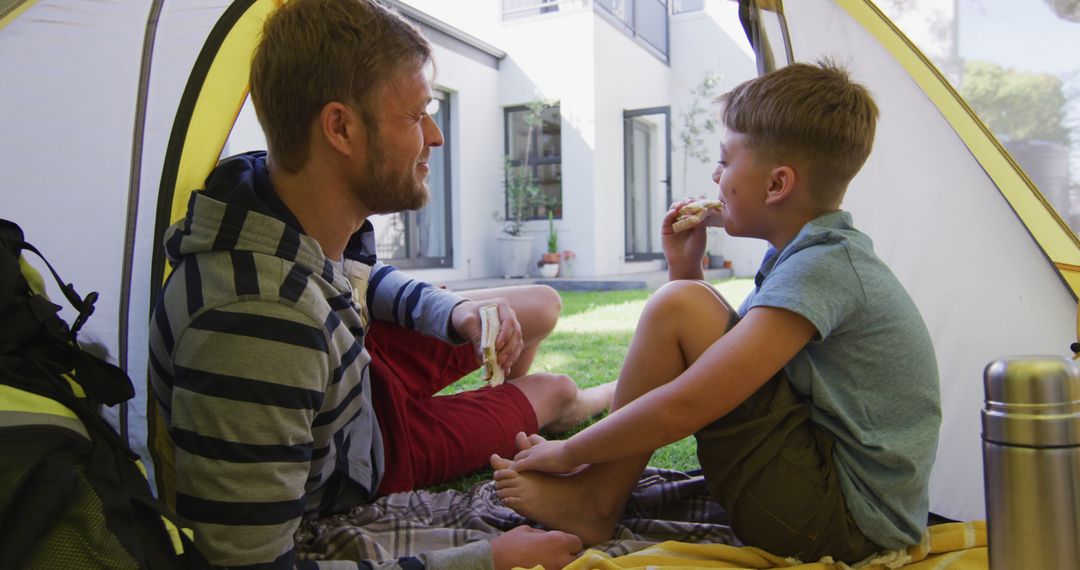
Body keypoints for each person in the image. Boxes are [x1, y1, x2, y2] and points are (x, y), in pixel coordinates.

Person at [147, 1, 612, 568]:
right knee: (556, 390)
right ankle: (582, 403)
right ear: (340, 127)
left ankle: (509, 407)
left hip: (354, 378)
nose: (436, 137)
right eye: (418, 115)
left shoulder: (275, 203)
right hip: (370, 452)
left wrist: (454, 314)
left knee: (537, 304)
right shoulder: (260, 324)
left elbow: (364, 280)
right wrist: (488, 559)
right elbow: (244, 564)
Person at [491, 61, 942, 565]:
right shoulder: (811, 257)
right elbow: (720, 364)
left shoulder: (823, 269)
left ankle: (594, 500)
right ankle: (594, 494)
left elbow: (692, 401)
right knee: (683, 302)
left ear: (777, 185)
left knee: (679, 305)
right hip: (833, 502)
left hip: (841, 525)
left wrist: (569, 451)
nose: (715, 175)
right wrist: (687, 269)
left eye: (725, 160)